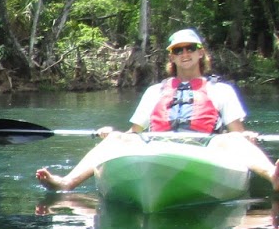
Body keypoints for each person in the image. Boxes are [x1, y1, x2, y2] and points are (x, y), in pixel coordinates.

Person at [35, 28, 276, 192]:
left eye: (190, 48)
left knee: (233, 139)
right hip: (158, 147)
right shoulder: (155, 91)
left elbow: (236, 131)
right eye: (178, 50)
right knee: (119, 137)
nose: (185, 54)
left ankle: (273, 176)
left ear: (201, 52)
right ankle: (66, 183)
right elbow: (134, 133)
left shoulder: (221, 90)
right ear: (171, 56)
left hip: (204, 149)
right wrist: (112, 136)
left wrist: (245, 137)